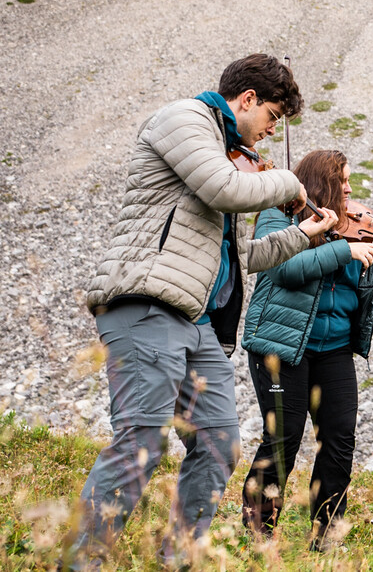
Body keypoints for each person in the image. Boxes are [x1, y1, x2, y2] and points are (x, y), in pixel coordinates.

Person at [77, 54, 337, 566]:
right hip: (147, 304)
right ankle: (80, 560)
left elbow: (246, 257)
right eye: (272, 118)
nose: (268, 132)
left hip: (198, 324)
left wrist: (303, 235)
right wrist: (288, 183)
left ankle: (178, 555)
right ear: (247, 100)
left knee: (220, 443)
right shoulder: (184, 120)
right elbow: (224, 189)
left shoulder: (230, 153)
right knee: (141, 441)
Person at [238, 149, 373, 548]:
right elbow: (284, 271)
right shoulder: (280, 215)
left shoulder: (355, 229)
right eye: (341, 180)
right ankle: (258, 527)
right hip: (281, 344)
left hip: (335, 349)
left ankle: (326, 533)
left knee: (339, 438)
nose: (349, 189)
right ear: (321, 182)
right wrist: (342, 251)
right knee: (284, 437)